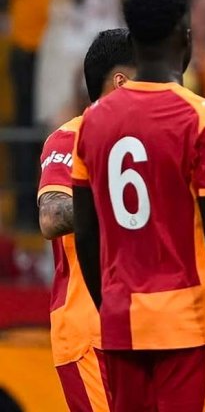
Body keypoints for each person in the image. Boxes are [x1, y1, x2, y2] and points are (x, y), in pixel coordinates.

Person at [71, 0, 205, 411]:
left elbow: (86, 232)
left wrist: (109, 308)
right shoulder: (204, 118)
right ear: (184, 35)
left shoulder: (92, 121)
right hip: (188, 326)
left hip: (122, 323)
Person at [37, 27, 133, 412]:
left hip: (145, 328)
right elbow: (52, 216)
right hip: (90, 332)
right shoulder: (71, 136)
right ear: (121, 82)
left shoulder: (151, 143)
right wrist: (124, 204)